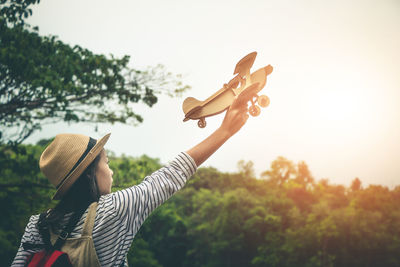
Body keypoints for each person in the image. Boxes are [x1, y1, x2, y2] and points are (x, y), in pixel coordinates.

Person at [11, 97, 249, 266]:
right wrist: (225, 131)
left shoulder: (38, 226)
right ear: (89, 174)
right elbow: (169, 176)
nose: (111, 171)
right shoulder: (113, 211)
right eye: (106, 162)